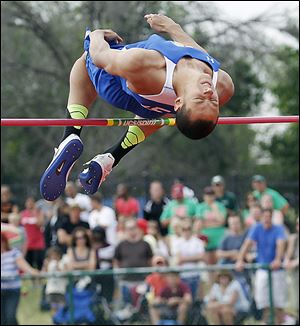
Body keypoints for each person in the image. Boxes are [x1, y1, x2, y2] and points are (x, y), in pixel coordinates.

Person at [40, 13, 234, 201]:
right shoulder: (223, 85)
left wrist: (97, 35)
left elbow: (100, 56)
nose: (209, 94)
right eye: (213, 101)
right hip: (154, 108)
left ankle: (70, 134)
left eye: (200, 100)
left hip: (118, 84)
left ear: (180, 100)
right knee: (168, 115)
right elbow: (198, 55)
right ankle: (112, 156)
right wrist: (171, 27)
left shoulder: (145, 65)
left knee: (84, 61)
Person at [236, 208, 287, 325]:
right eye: (265, 217)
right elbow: (247, 244)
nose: (267, 219)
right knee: (263, 301)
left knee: (279, 302)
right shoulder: (256, 228)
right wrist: (240, 259)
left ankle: (280, 322)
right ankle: (265, 322)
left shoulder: (278, 229)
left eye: (269, 217)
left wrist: (278, 259)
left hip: (277, 270)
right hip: (262, 269)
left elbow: (280, 244)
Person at [1, 232, 39, 325]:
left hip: (12, 289)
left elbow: (24, 266)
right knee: (2, 319)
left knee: (10, 317)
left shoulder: (14, 253)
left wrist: (35, 273)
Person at [114, 219, 153, 305]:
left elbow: (150, 261)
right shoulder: (121, 245)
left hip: (142, 280)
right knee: (126, 303)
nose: (132, 231)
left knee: (142, 302)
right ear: (125, 230)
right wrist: (120, 274)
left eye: (133, 228)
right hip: (126, 280)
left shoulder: (145, 244)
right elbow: (116, 261)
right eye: (129, 228)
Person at [173, 219, 205, 301]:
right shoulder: (177, 242)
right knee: (184, 299)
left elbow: (201, 257)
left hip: (195, 275)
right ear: (181, 230)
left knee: (196, 299)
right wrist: (194, 258)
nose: (186, 231)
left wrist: (184, 259)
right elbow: (179, 258)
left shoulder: (198, 242)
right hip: (182, 276)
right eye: (184, 229)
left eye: (188, 229)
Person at [194, 186, 227, 265]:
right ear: (204, 196)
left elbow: (222, 222)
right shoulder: (200, 207)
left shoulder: (219, 206)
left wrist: (215, 209)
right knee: (209, 265)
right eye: (208, 195)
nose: (210, 197)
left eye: (211, 195)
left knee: (219, 264)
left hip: (218, 238)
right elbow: (199, 223)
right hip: (206, 239)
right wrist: (215, 223)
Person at [20, 196, 45, 270]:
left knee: (39, 263)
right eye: (28, 202)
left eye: (31, 202)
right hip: (27, 244)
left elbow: (40, 224)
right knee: (29, 264)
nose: (30, 204)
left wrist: (35, 214)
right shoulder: (22, 214)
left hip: (38, 243)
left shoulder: (39, 213)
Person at [92, 226, 116, 303]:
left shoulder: (110, 247)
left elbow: (114, 261)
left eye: (99, 234)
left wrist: (103, 259)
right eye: (95, 234)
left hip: (107, 275)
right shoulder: (91, 248)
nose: (97, 236)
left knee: (108, 296)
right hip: (95, 276)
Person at [43, 246, 68, 314]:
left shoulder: (63, 263)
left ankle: (61, 320)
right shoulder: (48, 263)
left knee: (62, 307)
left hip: (61, 290)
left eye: (55, 255)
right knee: (53, 307)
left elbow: (66, 274)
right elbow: (44, 275)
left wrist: (58, 267)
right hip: (51, 290)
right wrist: (46, 266)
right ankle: (54, 320)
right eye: (51, 255)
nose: (53, 257)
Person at [283, 218, 299, 324]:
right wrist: (287, 260)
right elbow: (289, 252)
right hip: (295, 274)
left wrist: (296, 262)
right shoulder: (294, 238)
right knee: (294, 302)